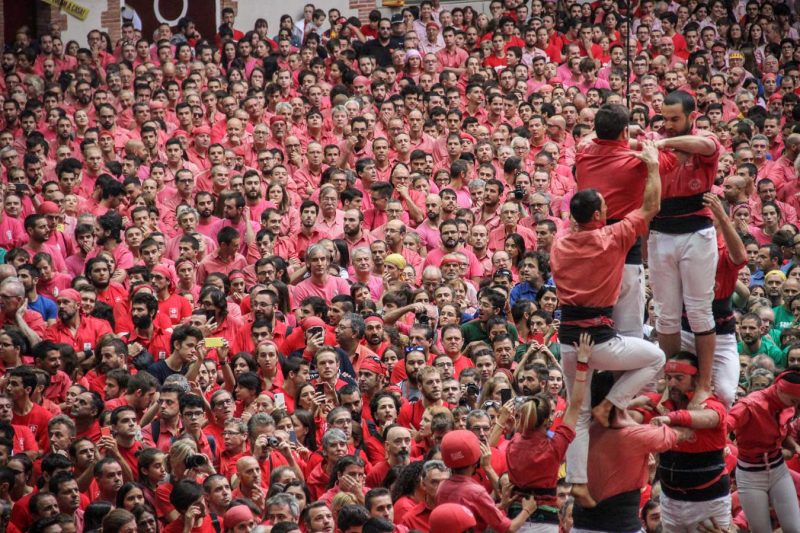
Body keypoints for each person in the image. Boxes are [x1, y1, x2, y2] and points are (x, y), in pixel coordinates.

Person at [552, 141, 665, 505]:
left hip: (568, 340)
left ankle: (577, 483)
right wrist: (652, 166)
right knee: (656, 358)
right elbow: (651, 207)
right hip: (600, 341)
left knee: (577, 412)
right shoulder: (612, 237)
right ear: (601, 215)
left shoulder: (559, 244)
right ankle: (613, 403)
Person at [647, 91, 722, 407]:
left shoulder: (704, 139)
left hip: (697, 232)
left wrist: (663, 143)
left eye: (675, 119)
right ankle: (673, 379)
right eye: (665, 118)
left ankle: (703, 383)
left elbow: (704, 146)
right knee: (665, 315)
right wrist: (658, 143)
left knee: (699, 311)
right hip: (661, 230)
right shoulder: (655, 141)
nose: (668, 124)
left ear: (692, 117)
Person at [631, 353, 731, 531]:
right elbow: (626, 419)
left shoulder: (712, 405)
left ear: (696, 379)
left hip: (708, 502)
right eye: (668, 378)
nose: (671, 384)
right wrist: (628, 404)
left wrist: (671, 418)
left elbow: (710, 418)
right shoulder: (658, 404)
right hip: (670, 501)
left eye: (679, 378)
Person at [727, 368, 800, 532]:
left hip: (778, 469)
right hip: (750, 474)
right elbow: (725, 425)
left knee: (794, 528)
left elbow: (784, 432)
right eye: (793, 401)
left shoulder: (788, 405)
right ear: (780, 390)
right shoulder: (749, 405)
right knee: (761, 530)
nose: (795, 405)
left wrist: (796, 447)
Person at [437, 429, 537, 532]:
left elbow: (470, 514)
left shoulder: (442, 486)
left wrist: (501, 506)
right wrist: (527, 510)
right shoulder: (476, 492)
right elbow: (509, 528)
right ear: (477, 457)